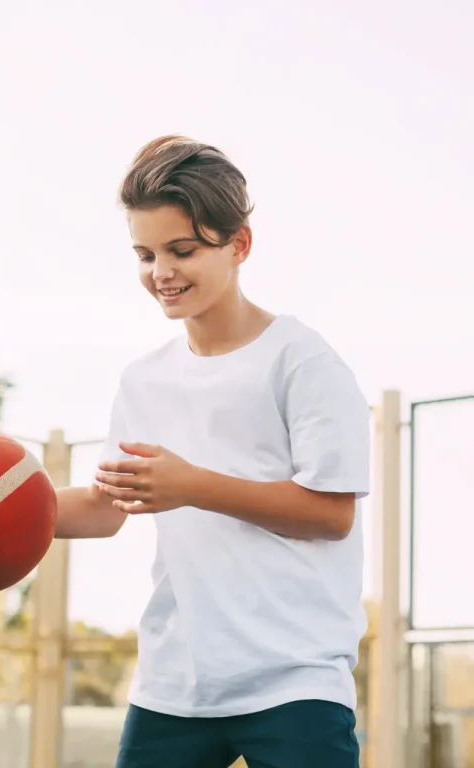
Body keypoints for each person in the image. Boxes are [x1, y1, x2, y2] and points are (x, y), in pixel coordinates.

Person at [54, 135, 370, 768]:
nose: (161, 272)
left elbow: (331, 513)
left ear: (240, 245)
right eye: (144, 254)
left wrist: (194, 485)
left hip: (294, 681)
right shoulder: (143, 380)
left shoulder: (302, 361)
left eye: (183, 250)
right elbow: (105, 507)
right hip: (175, 685)